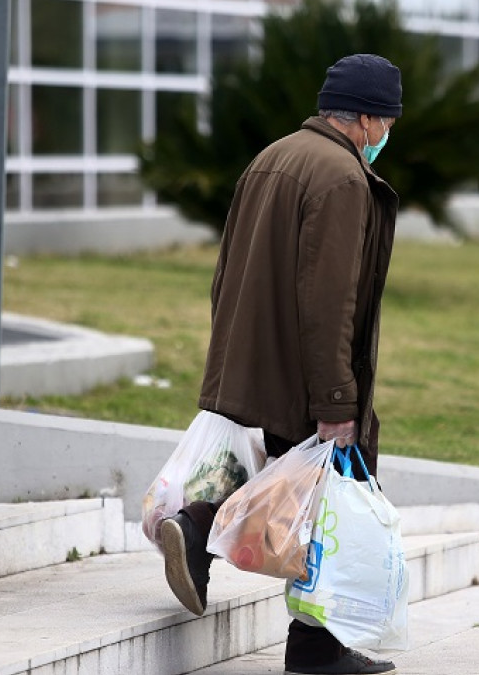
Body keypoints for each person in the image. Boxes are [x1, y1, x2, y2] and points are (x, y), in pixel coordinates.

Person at [158, 53, 403, 675]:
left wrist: (229, 356)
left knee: (285, 479)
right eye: (388, 122)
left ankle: (194, 529)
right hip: (302, 369)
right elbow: (330, 302)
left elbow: (225, 269)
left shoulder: (272, 157)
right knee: (326, 494)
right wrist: (338, 402)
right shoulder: (344, 179)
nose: (386, 136)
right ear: (370, 120)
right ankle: (315, 651)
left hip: (252, 355)